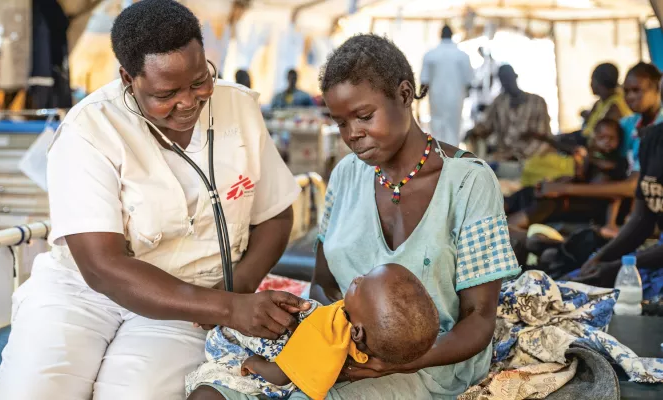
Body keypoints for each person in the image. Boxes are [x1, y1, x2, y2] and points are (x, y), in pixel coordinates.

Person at [0, 2, 308, 399]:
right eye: (166, 93)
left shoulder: (239, 107)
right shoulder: (89, 129)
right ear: (128, 78)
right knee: (35, 390)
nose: (189, 101)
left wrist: (233, 291)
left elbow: (275, 215)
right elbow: (102, 267)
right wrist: (228, 308)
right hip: (82, 295)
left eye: (198, 81)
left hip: (191, 301)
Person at [206, 33, 521, 400]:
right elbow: (323, 284)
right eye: (340, 122)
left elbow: (479, 320)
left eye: (364, 116)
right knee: (213, 391)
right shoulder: (345, 175)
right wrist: (316, 327)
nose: (352, 134)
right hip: (342, 349)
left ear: (405, 95)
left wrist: (398, 362)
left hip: (433, 363)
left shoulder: (469, 182)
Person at [186, 264, 439, 399]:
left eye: (361, 285)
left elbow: (281, 375)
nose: (357, 279)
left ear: (358, 332)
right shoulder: (365, 342)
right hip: (298, 373)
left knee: (206, 393)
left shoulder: (331, 328)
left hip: (275, 380)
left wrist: (254, 364)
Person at [538, 63, 663, 201]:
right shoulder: (629, 123)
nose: (630, 97)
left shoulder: (658, 129)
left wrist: (563, 189)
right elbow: (601, 150)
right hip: (621, 191)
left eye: (636, 90)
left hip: (645, 202)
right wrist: (585, 157)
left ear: (657, 89)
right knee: (538, 194)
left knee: (552, 199)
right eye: (626, 91)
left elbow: (633, 186)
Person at [574, 121, 663, 287]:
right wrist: (599, 259)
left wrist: (619, 266)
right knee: (574, 279)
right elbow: (642, 219)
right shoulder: (652, 139)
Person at [506, 118, 628, 233]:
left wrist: (610, 223)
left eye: (611, 138)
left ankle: (504, 229)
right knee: (528, 192)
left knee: (546, 204)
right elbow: (578, 178)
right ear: (594, 138)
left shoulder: (616, 163)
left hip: (590, 206)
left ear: (619, 140)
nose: (606, 142)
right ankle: (494, 217)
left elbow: (612, 192)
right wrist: (556, 182)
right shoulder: (591, 157)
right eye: (602, 138)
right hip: (576, 198)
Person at [466, 64, 552, 161]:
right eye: (502, 79)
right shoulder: (499, 102)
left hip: (533, 156)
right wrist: (473, 132)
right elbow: (485, 126)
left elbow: (544, 134)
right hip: (504, 156)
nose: (506, 82)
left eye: (508, 77)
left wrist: (521, 155)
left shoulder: (537, 102)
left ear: (515, 77)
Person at [420, 25, 474, 146]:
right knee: (454, 127)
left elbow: (424, 81)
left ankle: (438, 156)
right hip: (456, 98)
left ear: (440, 35)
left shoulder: (430, 54)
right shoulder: (462, 55)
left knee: (437, 126)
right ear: (452, 35)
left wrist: (419, 99)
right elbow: (469, 81)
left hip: (436, 98)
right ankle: (453, 156)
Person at [580, 63, 632, 140]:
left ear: (600, 83)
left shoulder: (615, 107)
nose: (590, 84)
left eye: (592, 80)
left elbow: (601, 138)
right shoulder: (600, 102)